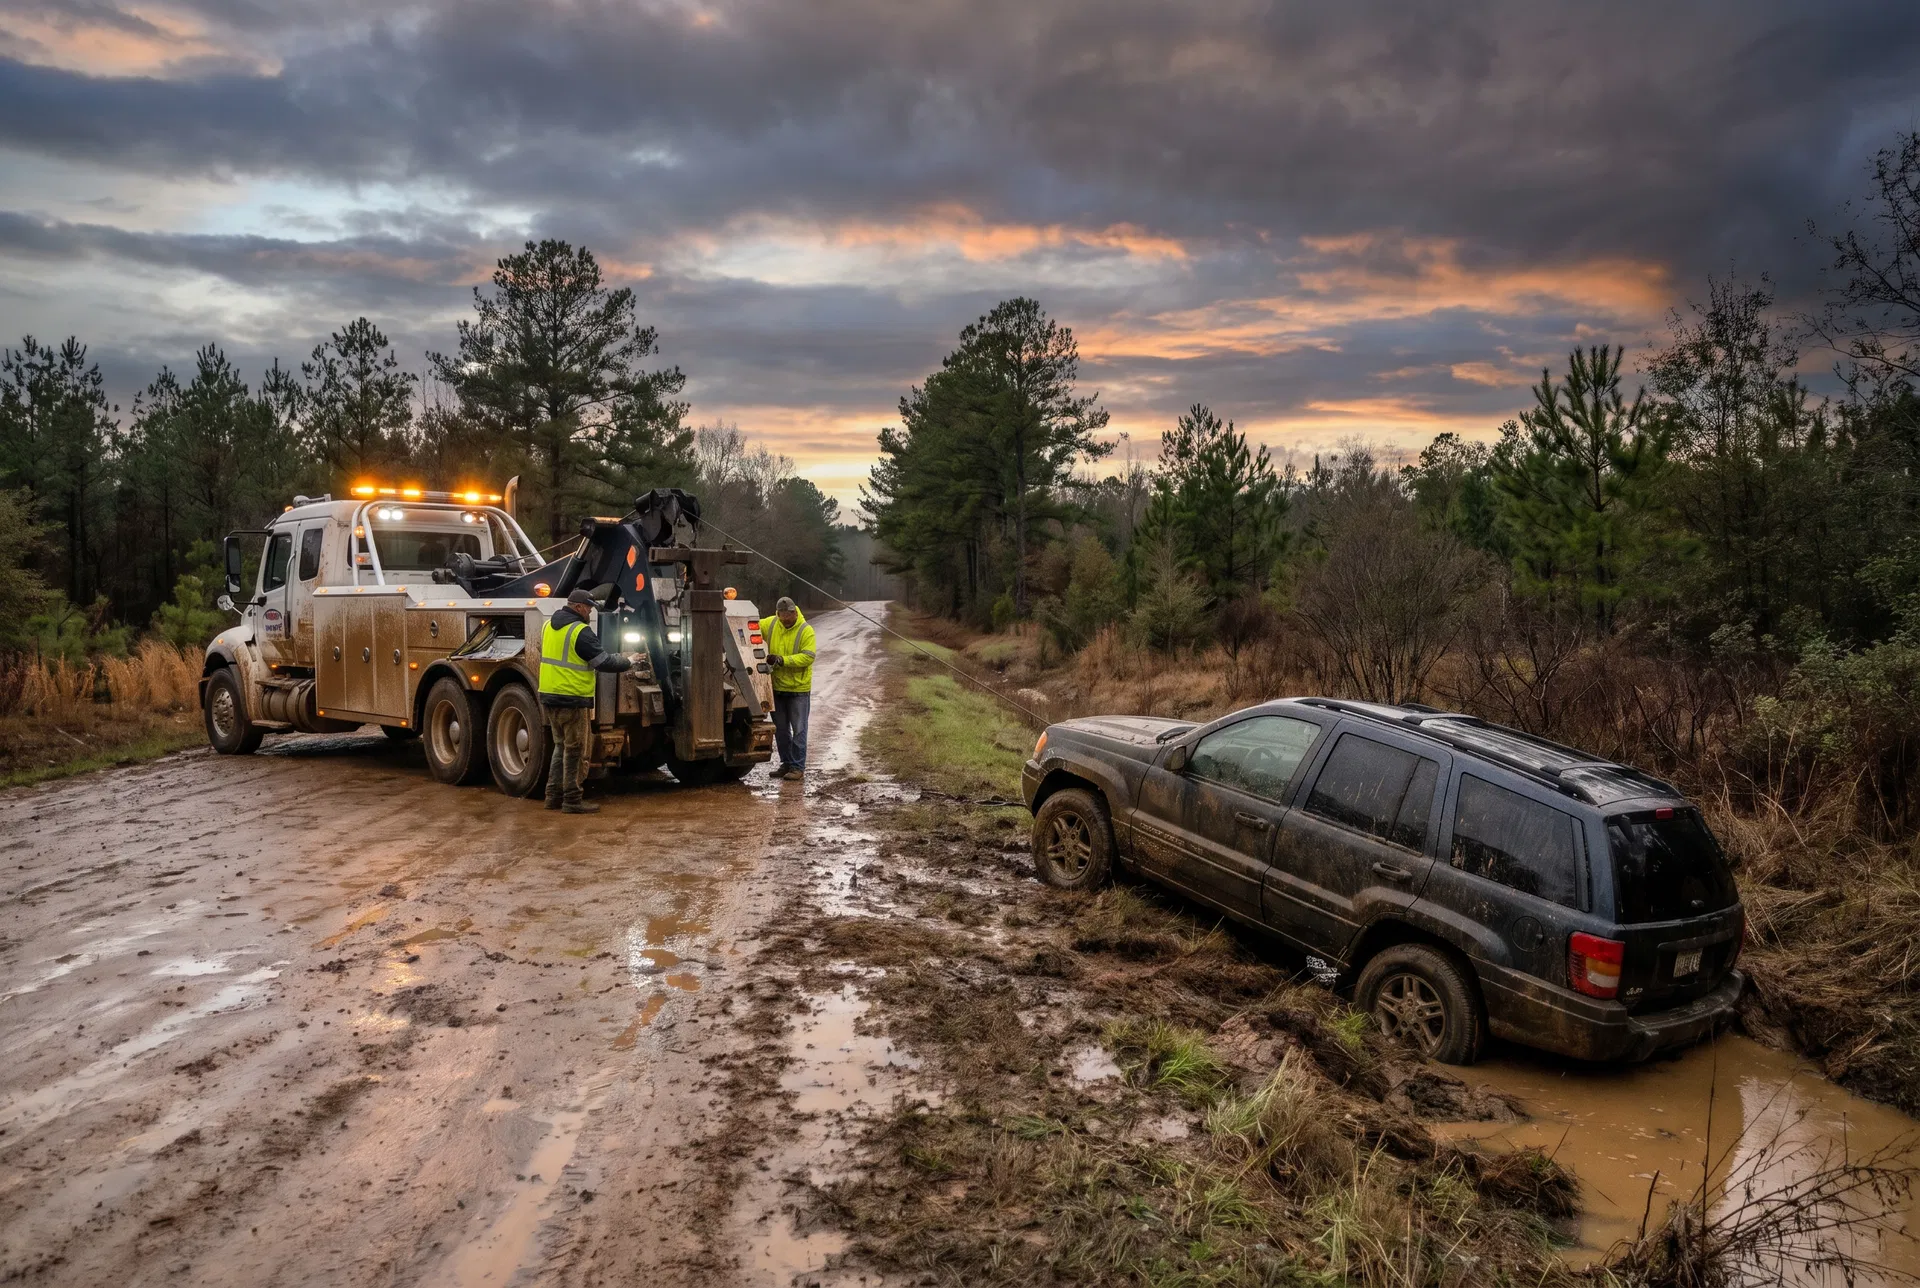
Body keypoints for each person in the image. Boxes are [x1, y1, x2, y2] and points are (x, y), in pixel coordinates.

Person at [538, 588, 632, 813]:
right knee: (576, 750)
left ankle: (552, 797)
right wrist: (628, 661)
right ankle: (572, 800)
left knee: (560, 746)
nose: (590, 612)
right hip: (572, 698)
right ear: (578, 607)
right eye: (588, 608)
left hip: (549, 696)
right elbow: (603, 662)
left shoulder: (548, 626)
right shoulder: (580, 631)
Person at [760, 596, 816, 781]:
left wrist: (782, 660)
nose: (785, 620)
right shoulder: (771, 623)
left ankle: (797, 767)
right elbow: (750, 625)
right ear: (777, 613)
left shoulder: (805, 630)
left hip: (798, 689)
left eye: (788, 617)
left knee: (799, 729)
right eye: (781, 616)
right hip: (777, 688)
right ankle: (787, 763)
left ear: (794, 612)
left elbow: (808, 657)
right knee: (781, 730)